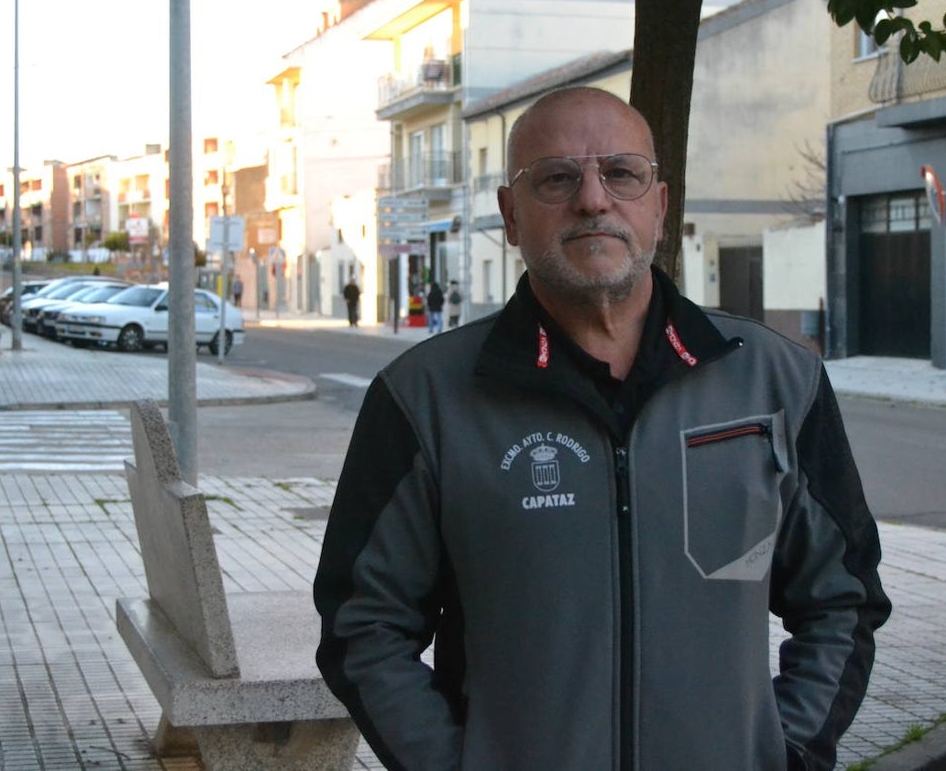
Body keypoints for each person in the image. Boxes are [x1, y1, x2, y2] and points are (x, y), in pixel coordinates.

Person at [314, 87, 890, 771]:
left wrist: (785, 751)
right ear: (510, 215)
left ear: (659, 206)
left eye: (622, 174)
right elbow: (363, 624)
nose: (593, 199)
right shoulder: (424, 399)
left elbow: (843, 599)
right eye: (557, 178)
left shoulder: (777, 383)